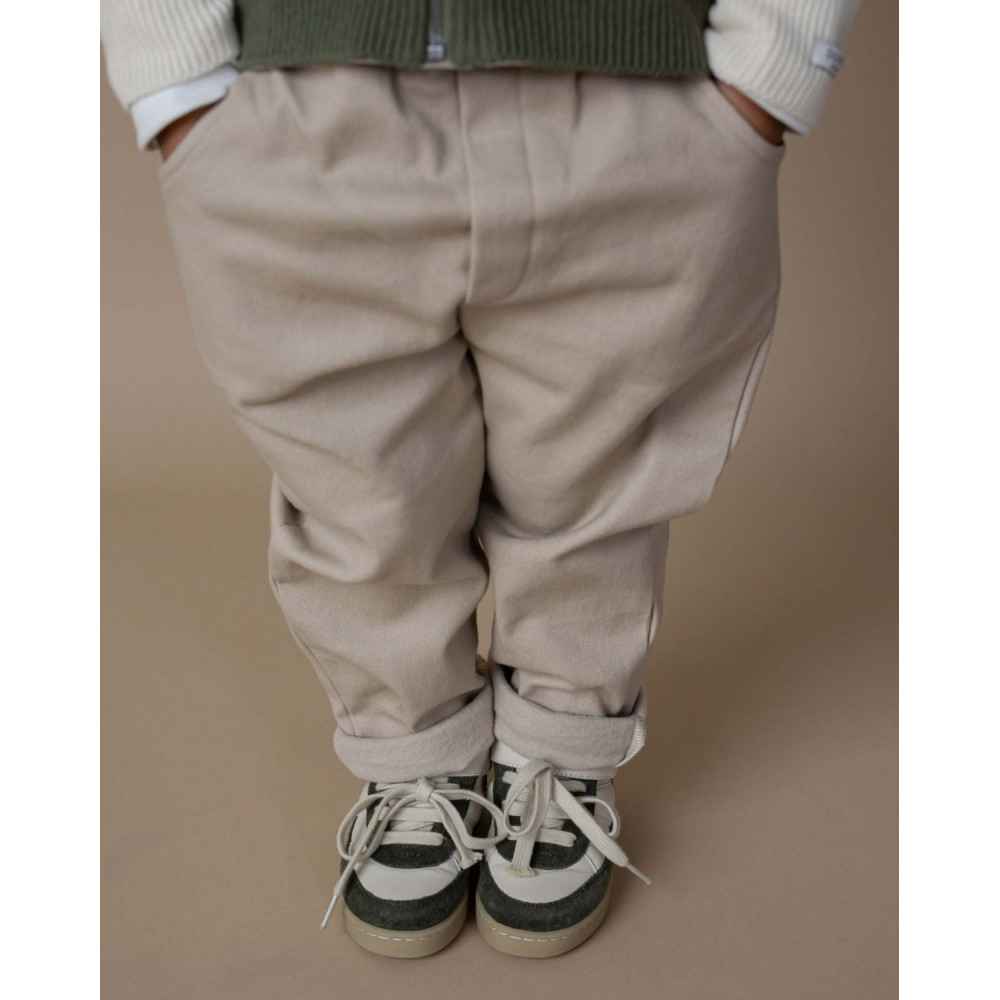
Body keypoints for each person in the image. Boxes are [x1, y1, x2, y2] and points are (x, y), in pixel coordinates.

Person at [101, 0, 860, 960]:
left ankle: (561, 748)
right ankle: (413, 754)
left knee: (598, 477)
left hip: (632, 92)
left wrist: (774, 66)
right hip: (302, 93)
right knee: (360, 489)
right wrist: (170, 76)